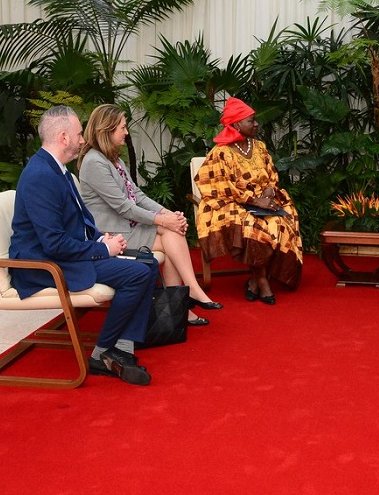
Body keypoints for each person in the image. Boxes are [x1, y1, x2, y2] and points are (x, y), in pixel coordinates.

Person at [9, 105, 157, 385]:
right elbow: (53, 243)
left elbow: (79, 219)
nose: (82, 139)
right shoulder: (41, 175)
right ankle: (102, 353)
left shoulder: (57, 170)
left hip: (66, 255)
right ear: (64, 137)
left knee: (147, 263)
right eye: (78, 134)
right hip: (44, 266)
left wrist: (101, 238)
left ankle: (121, 349)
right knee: (138, 273)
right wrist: (103, 250)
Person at [78, 104, 222, 327]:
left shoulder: (114, 159)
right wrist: (163, 220)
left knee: (172, 231)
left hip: (129, 226)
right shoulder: (94, 162)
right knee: (171, 234)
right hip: (111, 234)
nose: (126, 133)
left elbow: (136, 194)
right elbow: (123, 206)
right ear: (106, 129)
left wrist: (167, 214)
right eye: (122, 128)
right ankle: (186, 297)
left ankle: (183, 303)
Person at [194, 97, 303, 304]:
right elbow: (216, 185)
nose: (256, 124)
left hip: (263, 200)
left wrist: (268, 194)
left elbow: (272, 175)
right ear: (236, 124)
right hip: (232, 203)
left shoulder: (260, 146)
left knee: (282, 220)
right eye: (251, 121)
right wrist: (252, 200)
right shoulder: (221, 152)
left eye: (255, 120)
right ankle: (262, 279)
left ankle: (254, 279)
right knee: (252, 226)